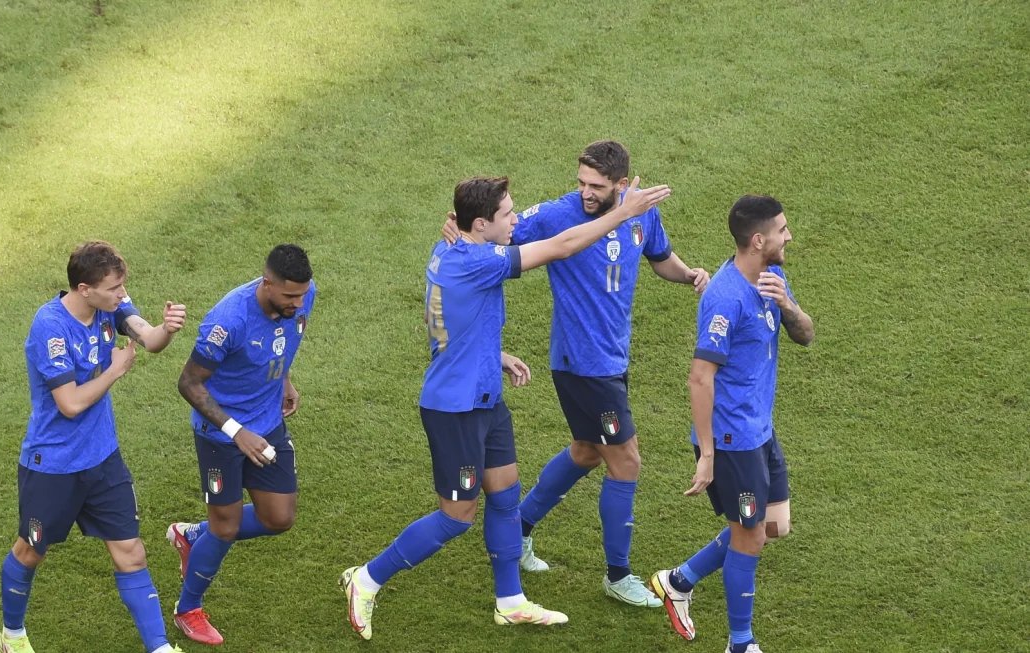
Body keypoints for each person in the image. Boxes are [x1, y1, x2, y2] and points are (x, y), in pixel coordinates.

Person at [340, 174, 672, 640]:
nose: (516, 219)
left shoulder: (451, 249)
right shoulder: (477, 260)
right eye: (508, 214)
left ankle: (511, 601)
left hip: (485, 399)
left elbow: (444, 318)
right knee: (455, 518)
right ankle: (367, 578)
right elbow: (560, 246)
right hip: (455, 410)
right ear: (480, 224)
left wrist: (492, 354)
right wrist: (623, 214)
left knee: (504, 497)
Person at [441, 140, 709, 607]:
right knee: (626, 461)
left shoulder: (641, 213)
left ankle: (520, 528)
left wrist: (688, 274)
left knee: (587, 452)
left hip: (612, 359)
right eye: (581, 182)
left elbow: (659, 256)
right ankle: (618, 575)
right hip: (581, 365)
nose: (586, 192)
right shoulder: (557, 215)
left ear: (621, 185)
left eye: (597, 186)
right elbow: (495, 232)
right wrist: (458, 231)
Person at [0, 241, 188, 653]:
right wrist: (116, 371)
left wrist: (167, 329)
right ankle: (12, 635)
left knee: (131, 552)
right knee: (30, 551)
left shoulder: (109, 305)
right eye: (114, 288)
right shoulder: (50, 327)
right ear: (85, 289)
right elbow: (69, 404)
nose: (122, 294)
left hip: (103, 459)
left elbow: (148, 338)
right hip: (52, 465)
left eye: (122, 285)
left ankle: (159, 648)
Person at [648, 195, 815, 652]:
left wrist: (787, 306)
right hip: (731, 438)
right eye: (782, 230)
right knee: (751, 535)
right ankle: (740, 644)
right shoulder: (724, 299)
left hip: (760, 429)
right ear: (758, 240)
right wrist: (707, 454)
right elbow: (700, 378)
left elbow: (806, 335)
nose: (789, 236)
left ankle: (678, 581)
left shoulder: (771, 277)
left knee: (774, 525)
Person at [165, 244, 316, 646]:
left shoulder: (302, 295)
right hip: (220, 436)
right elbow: (188, 383)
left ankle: (193, 536)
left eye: (302, 294)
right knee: (226, 526)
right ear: (267, 284)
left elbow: (284, 340)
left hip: (268, 424)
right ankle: (187, 609)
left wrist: (284, 380)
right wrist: (236, 431)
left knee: (279, 518)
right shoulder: (228, 321)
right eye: (290, 296)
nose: (299, 303)